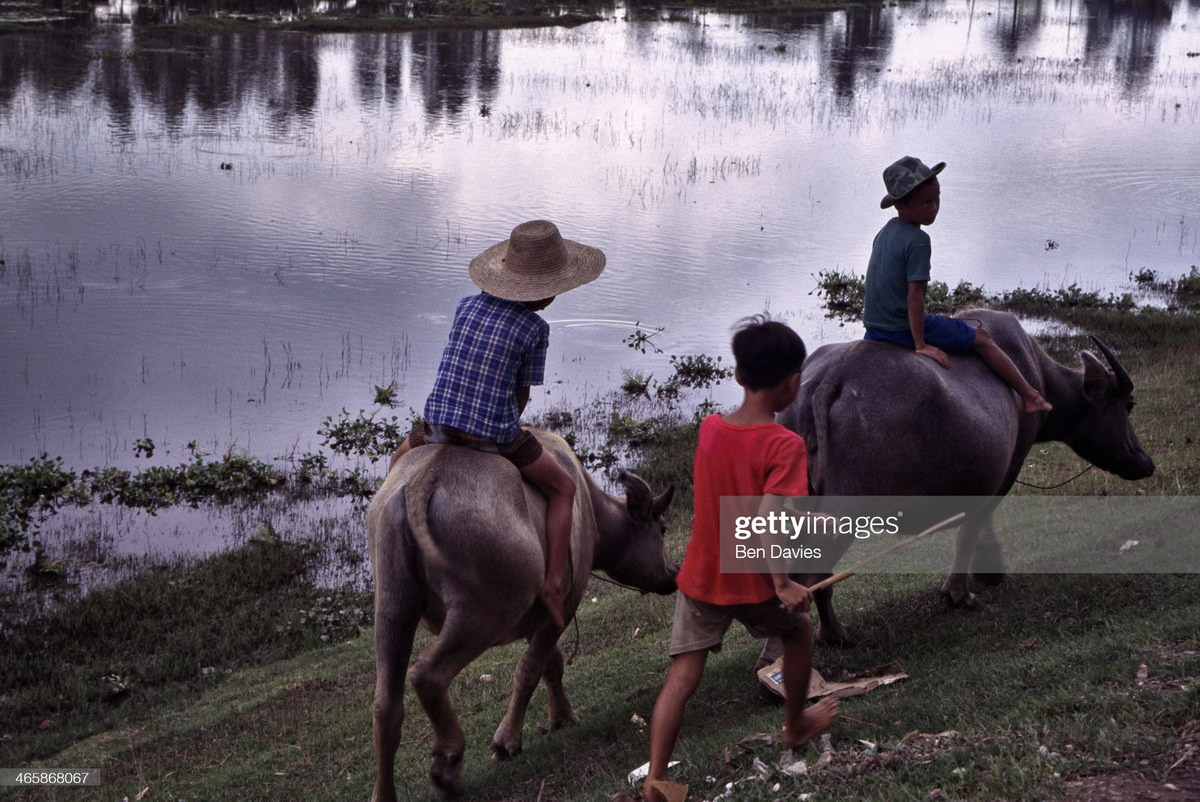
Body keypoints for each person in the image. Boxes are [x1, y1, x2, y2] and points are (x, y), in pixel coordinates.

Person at [642, 317, 839, 802]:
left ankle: (656, 780)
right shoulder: (784, 444)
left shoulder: (711, 428)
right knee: (799, 632)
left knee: (681, 677)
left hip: (701, 576)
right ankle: (795, 724)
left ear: (737, 375)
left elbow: (739, 498)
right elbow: (765, 518)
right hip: (750, 581)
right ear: (794, 382)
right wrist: (783, 583)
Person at [386, 219, 605, 631]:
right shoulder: (535, 328)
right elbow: (520, 398)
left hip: (436, 424)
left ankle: (392, 555)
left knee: (397, 466)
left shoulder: (465, 307)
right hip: (492, 433)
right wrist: (501, 423)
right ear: (543, 289)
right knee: (564, 488)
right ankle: (554, 583)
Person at [863, 156, 1052, 414]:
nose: (933, 208)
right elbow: (914, 296)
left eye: (937, 198)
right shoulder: (918, 240)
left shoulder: (884, 232)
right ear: (901, 206)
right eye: (925, 203)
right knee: (983, 339)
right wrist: (920, 344)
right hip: (901, 329)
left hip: (874, 329)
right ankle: (1031, 397)